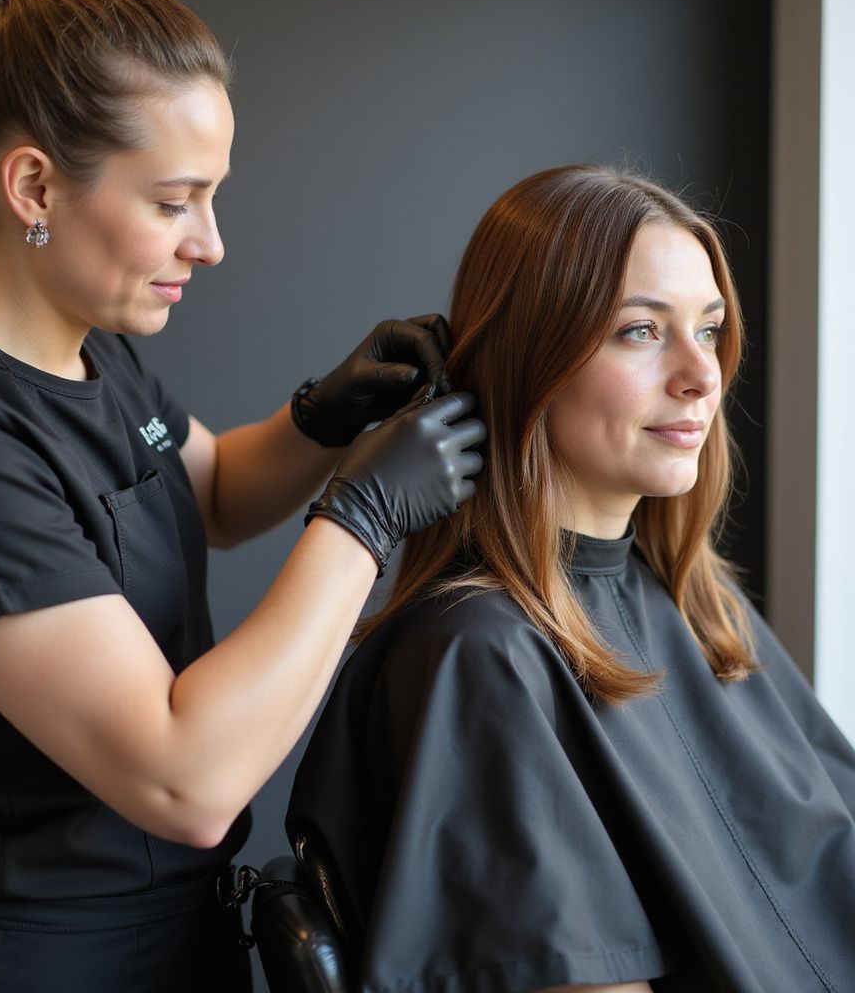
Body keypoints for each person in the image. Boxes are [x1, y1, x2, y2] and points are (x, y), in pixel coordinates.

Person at [0, 0, 487, 990]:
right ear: (35, 188)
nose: (211, 243)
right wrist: (362, 512)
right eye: (174, 201)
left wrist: (326, 417)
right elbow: (187, 780)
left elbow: (215, 492)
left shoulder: (87, 349)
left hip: (171, 950)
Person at [287, 166, 855, 993]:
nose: (703, 375)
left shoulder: (702, 606)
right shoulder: (480, 658)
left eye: (710, 327)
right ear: (530, 359)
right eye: (640, 331)